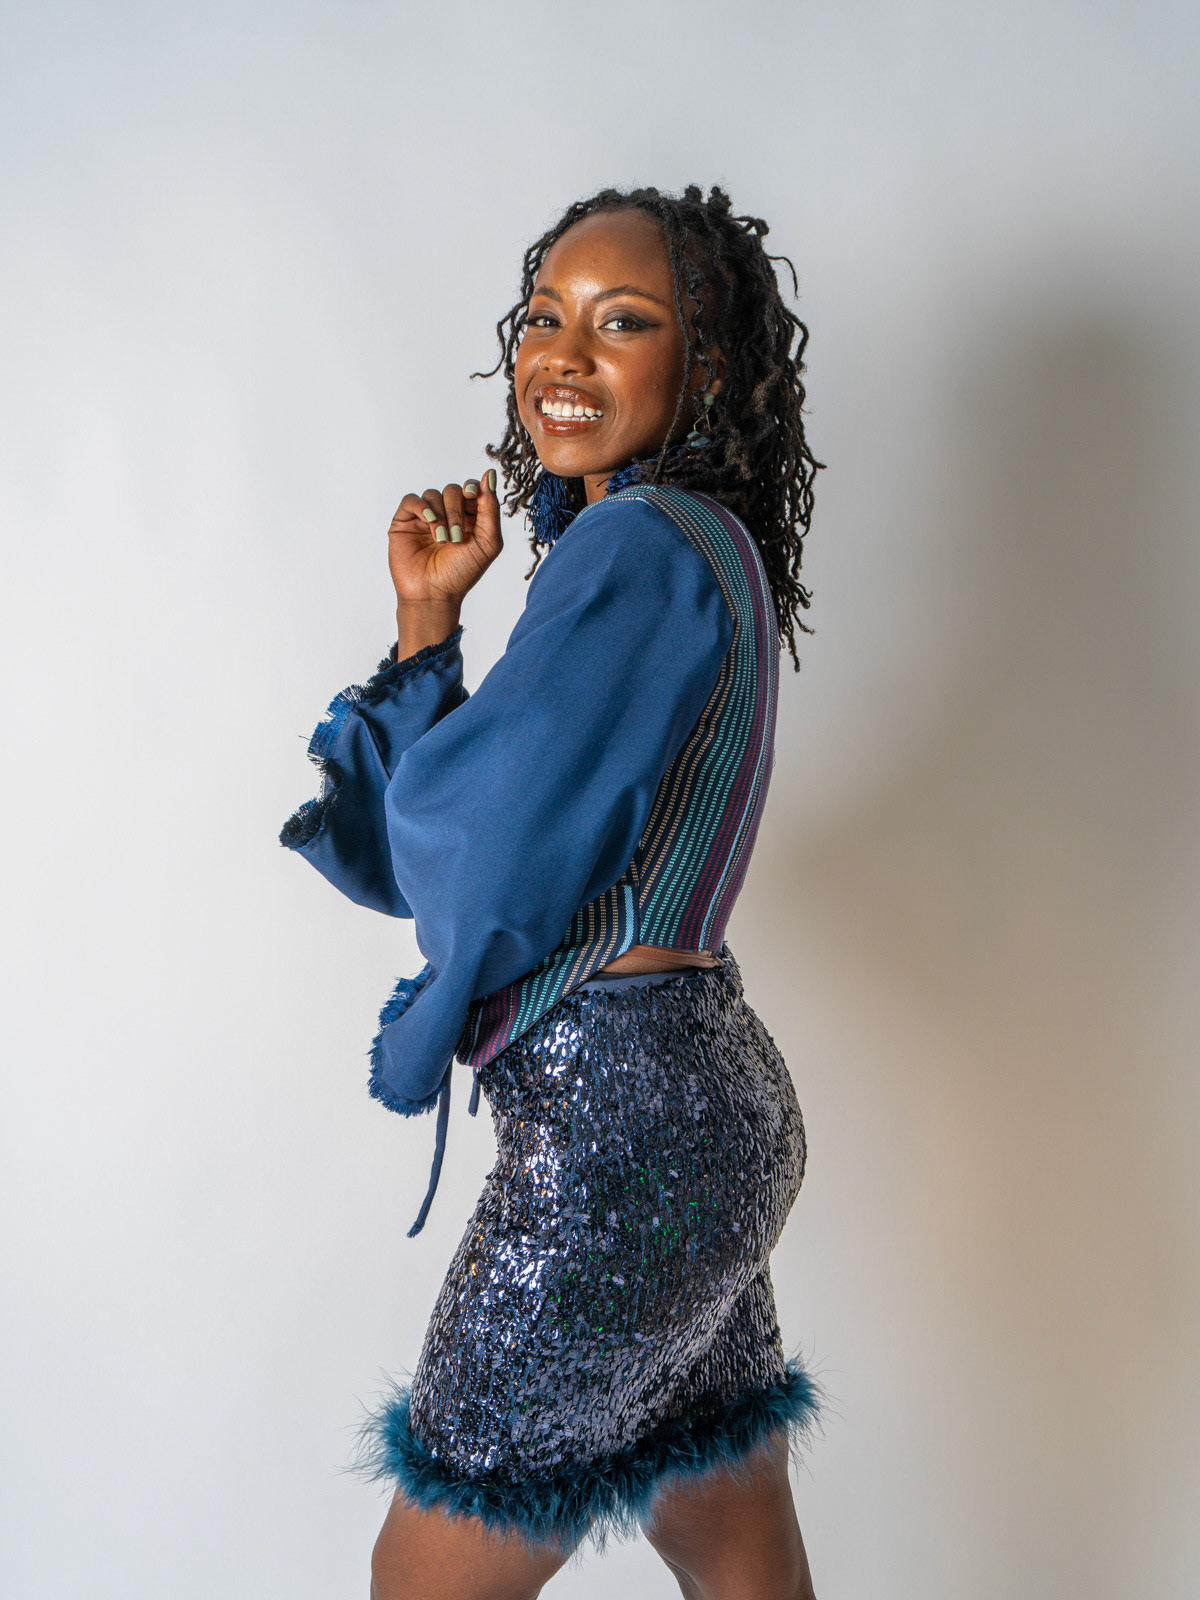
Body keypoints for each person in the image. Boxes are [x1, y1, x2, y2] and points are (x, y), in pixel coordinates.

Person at [280, 183, 828, 1600]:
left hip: (619, 1133)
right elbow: (491, 830)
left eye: (623, 322)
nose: (563, 356)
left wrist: (424, 654)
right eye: (543, 318)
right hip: (714, 1110)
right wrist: (429, 618)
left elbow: (473, 849)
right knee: (734, 1539)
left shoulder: (638, 547)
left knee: (425, 1579)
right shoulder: (705, 547)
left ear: (708, 368)